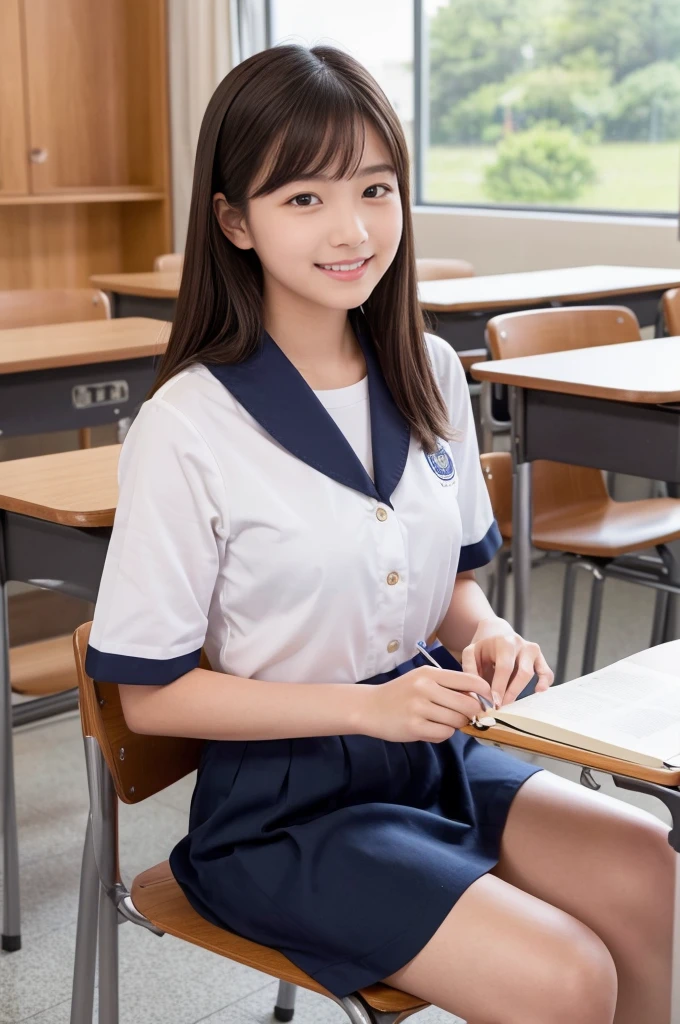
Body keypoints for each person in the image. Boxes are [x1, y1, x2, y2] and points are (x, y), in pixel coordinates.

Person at [85, 44, 673, 1024]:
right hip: (283, 811)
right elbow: (150, 698)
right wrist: (366, 710)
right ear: (234, 219)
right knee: (566, 975)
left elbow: (451, 587)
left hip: (432, 747)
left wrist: (480, 630)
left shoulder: (430, 370)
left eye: (374, 187)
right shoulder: (187, 425)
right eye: (303, 198)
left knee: (654, 873)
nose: (352, 228)